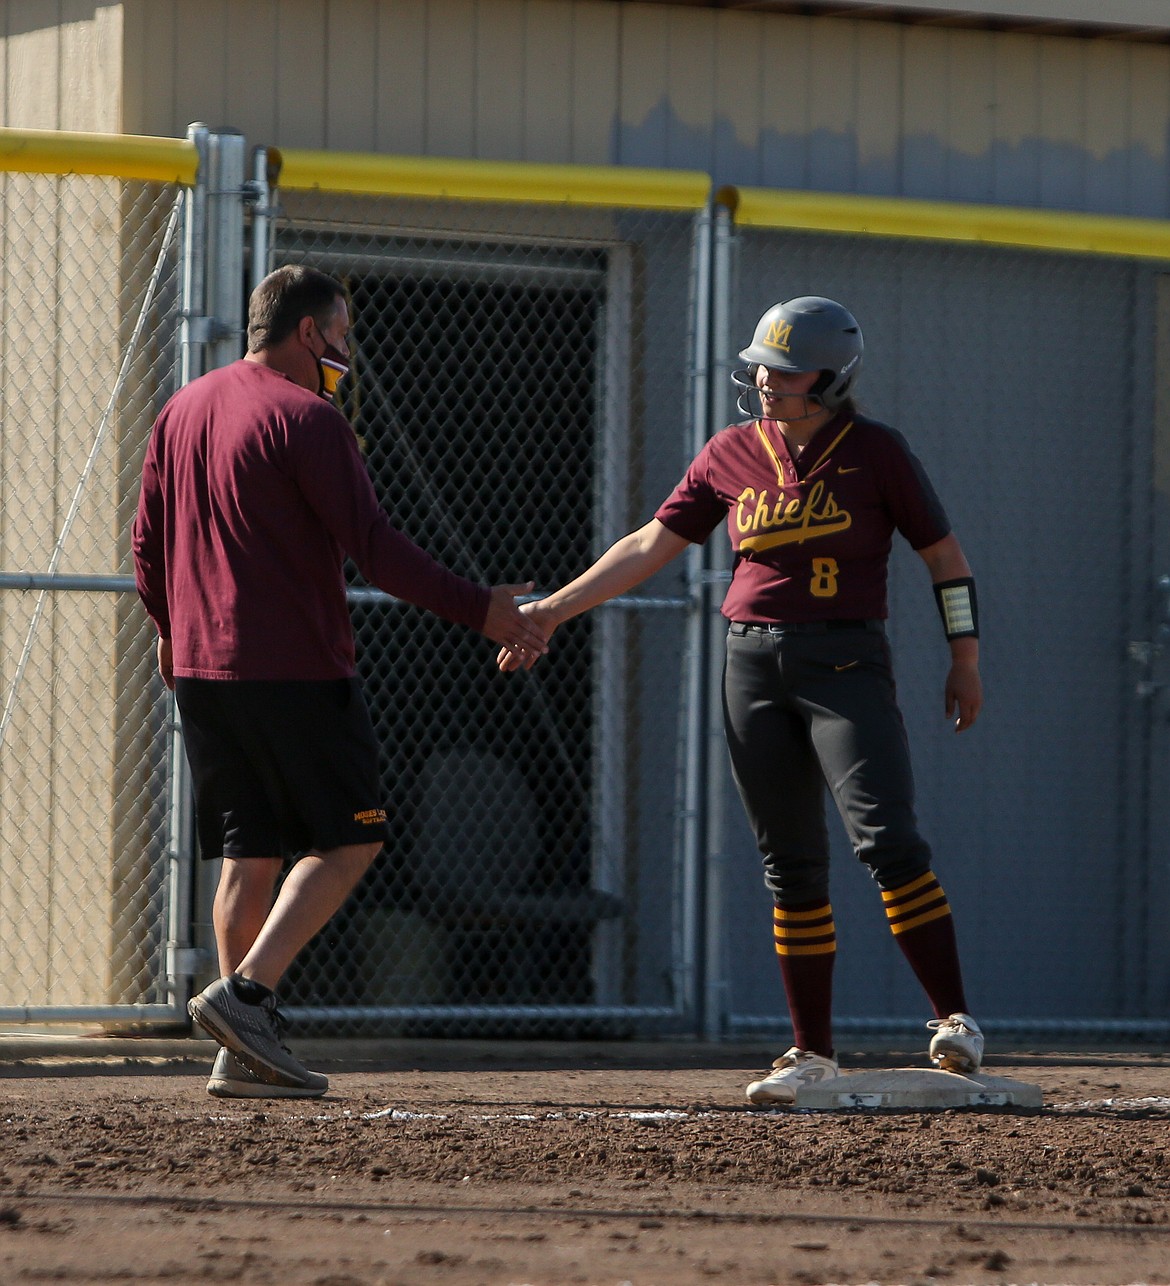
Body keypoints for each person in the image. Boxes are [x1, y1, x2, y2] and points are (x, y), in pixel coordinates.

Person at [499, 296, 984, 1106]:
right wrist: (552, 609)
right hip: (751, 664)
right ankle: (811, 1052)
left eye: (787, 370)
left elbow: (946, 557)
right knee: (789, 863)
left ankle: (955, 1018)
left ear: (831, 379)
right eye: (762, 364)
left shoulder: (875, 452)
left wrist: (964, 657)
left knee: (889, 840)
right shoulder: (731, 451)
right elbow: (651, 543)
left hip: (846, 660)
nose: (766, 380)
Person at [132, 264, 548, 1100]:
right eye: (342, 334)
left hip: (202, 669)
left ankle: (239, 1050)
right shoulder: (309, 417)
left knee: (247, 854)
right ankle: (247, 1000)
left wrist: (172, 632)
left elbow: (146, 547)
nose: (345, 350)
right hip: (293, 666)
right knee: (350, 838)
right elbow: (376, 546)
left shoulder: (183, 408)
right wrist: (483, 610)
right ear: (311, 333)